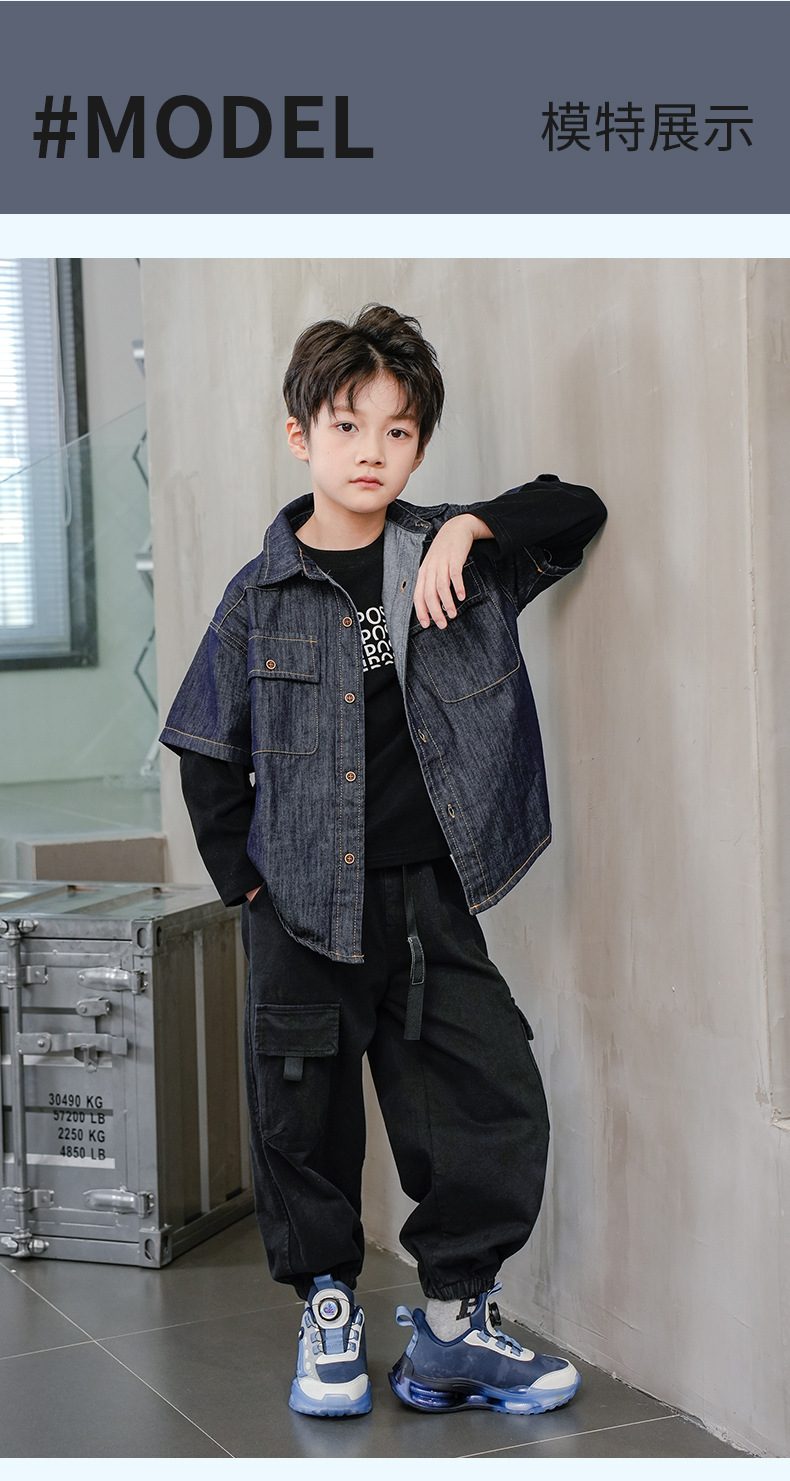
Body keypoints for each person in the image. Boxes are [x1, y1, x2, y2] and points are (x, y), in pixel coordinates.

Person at [160, 303, 606, 1419]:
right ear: (300, 435)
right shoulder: (259, 595)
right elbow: (208, 749)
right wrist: (248, 884)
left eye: (398, 431)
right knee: (301, 1116)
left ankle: (451, 1327)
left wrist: (472, 528)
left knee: (488, 1097)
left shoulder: (453, 555)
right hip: (299, 905)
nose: (372, 450)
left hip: (426, 899)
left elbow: (577, 507)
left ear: (419, 445)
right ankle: (327, 1309)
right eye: (347, 425)